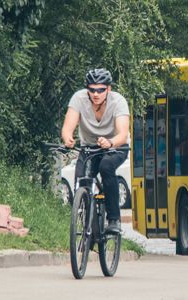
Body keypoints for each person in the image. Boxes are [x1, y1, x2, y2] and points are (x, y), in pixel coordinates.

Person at [61, 68, 129, 234]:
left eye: (100, 90)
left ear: (108, 89)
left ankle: (113, 219)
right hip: (89, 148)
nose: (96, 94)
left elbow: (122, 134)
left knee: (106, 167)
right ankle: (87, 224)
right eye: (91, 90)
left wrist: (110, 142)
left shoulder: (118, 101)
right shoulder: (79, 98)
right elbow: (68, 127)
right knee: (81, 179)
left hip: (115, 146)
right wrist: (68, 138)